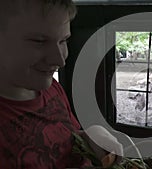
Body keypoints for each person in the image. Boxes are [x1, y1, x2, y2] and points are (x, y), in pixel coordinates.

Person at [0, 0, 123, 168]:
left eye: (63, 40)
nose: (59, 60)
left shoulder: (52, 88)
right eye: (39, 41)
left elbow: (62, 140)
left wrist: (88, 136)